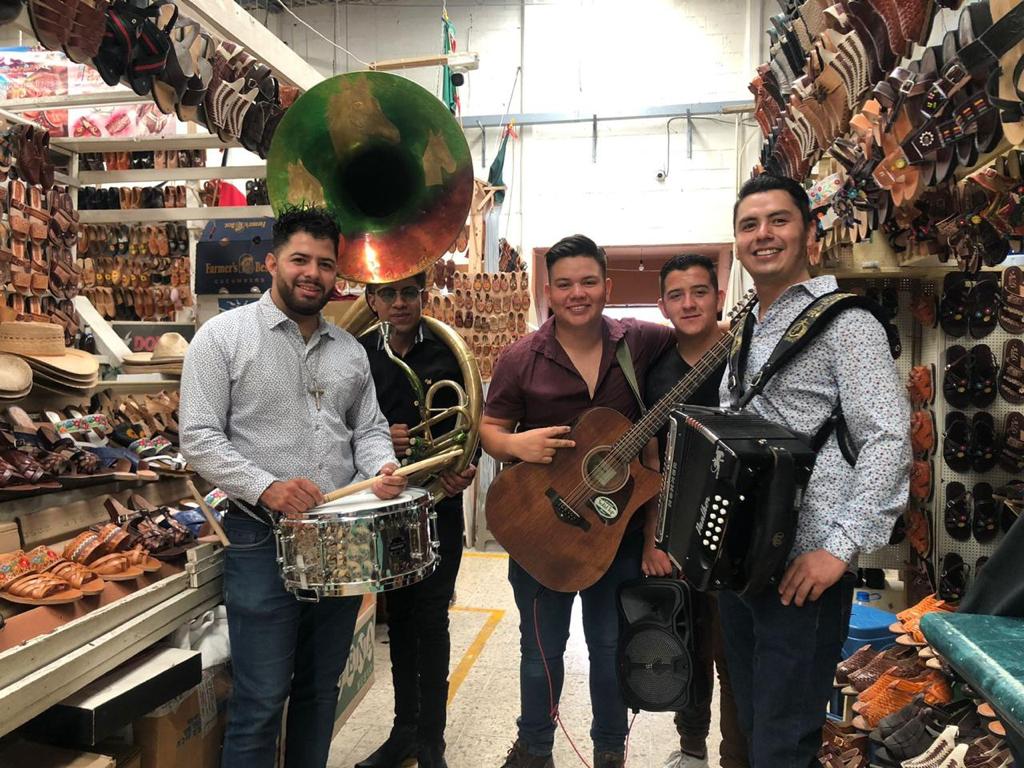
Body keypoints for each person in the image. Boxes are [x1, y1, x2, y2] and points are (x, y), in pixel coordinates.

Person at [179, 207, 407, 768]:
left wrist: (379, 468)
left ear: (338, 275)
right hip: (260, 538)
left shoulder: (351, 352)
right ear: (271, 262)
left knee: (319, 692)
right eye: (300, 259)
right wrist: (266, 488)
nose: (313, 273)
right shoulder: (221, 338)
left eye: (326, 265)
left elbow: (370, 430)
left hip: (338, 541)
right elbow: (199, 439)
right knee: (260, 699)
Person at [719, 175, 910, 766]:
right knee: (755, 723)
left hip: (804, 568)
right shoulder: (750, 322)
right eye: (749, 225)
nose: (763, 235)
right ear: (736, 243)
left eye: (779, 220)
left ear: (809, 233)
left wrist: (840, 548)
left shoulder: (847, 324)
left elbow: (888, 437)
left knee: (786, 738)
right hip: (741, 563)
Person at [480, 234, 674, 768]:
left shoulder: (641, 342)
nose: (577, 293)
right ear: (548, 290)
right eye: (564, 283)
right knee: (539, 652)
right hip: (539, 526)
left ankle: (610, 750)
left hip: (613, 534)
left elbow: (698, 336)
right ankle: (536, 748)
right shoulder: (521, 358)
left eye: (589, 282)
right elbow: (490, 430)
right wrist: (516, 443)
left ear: (607, 286)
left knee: (611, 648)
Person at [355, 272, 478, 768]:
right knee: (399, 622)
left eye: (410, 293)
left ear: (422, 296)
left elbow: (468, 426)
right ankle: (403, 731)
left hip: (438, 509)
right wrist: (385, 440)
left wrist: (460, 468)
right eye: (389, 293)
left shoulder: (448, 352)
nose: (401, 303)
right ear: (372, 299)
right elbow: (341, 428)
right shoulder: (357, 354)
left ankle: (432, 741)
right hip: (385, 509)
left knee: (432, 621)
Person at [641, 254, 749, 768]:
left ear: (719, 296)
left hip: (741, 528)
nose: (689, 303)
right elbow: (650, 460)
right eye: (677, 295)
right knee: (688, 643)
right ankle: (691, 750)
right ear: (662, 305)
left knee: (732, 651)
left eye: (700, 291)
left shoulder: (746, 356)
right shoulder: (655, 371)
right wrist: (652, 539)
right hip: (679, 530)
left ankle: (735, 756)